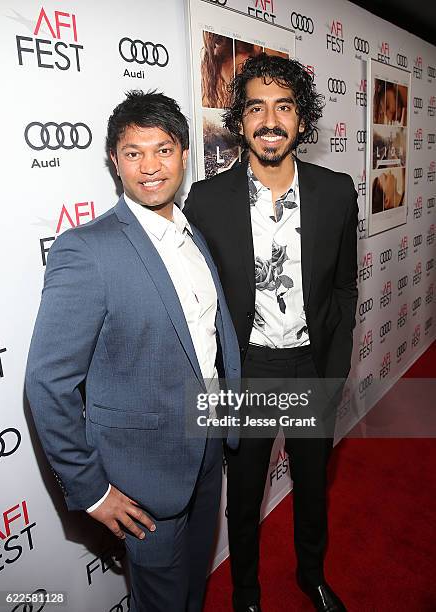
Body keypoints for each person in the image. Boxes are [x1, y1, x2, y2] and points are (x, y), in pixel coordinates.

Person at [25, 90, 240, 612]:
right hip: (144, 479)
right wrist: (93, 491)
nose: (150, 167)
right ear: (114, 161)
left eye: (163, 150)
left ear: (185, 155)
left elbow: (212, 339)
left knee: (193, 591)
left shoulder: (192, 234)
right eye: (133, 152)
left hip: (208, 448)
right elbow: (47, 383)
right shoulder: (87, 249)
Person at [185, 54, 358, 612]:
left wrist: (334, 365)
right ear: (239, 121)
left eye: (283, 106)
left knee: (312, 488)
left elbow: (344, 287)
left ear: (301, 120)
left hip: (312, 366)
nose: (269, 120)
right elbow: (198, 302)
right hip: (250, 368)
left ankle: (313, 576)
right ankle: (246, 594)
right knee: (245, 496)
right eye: (256, 107)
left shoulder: (336, 192)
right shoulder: (207, 202)